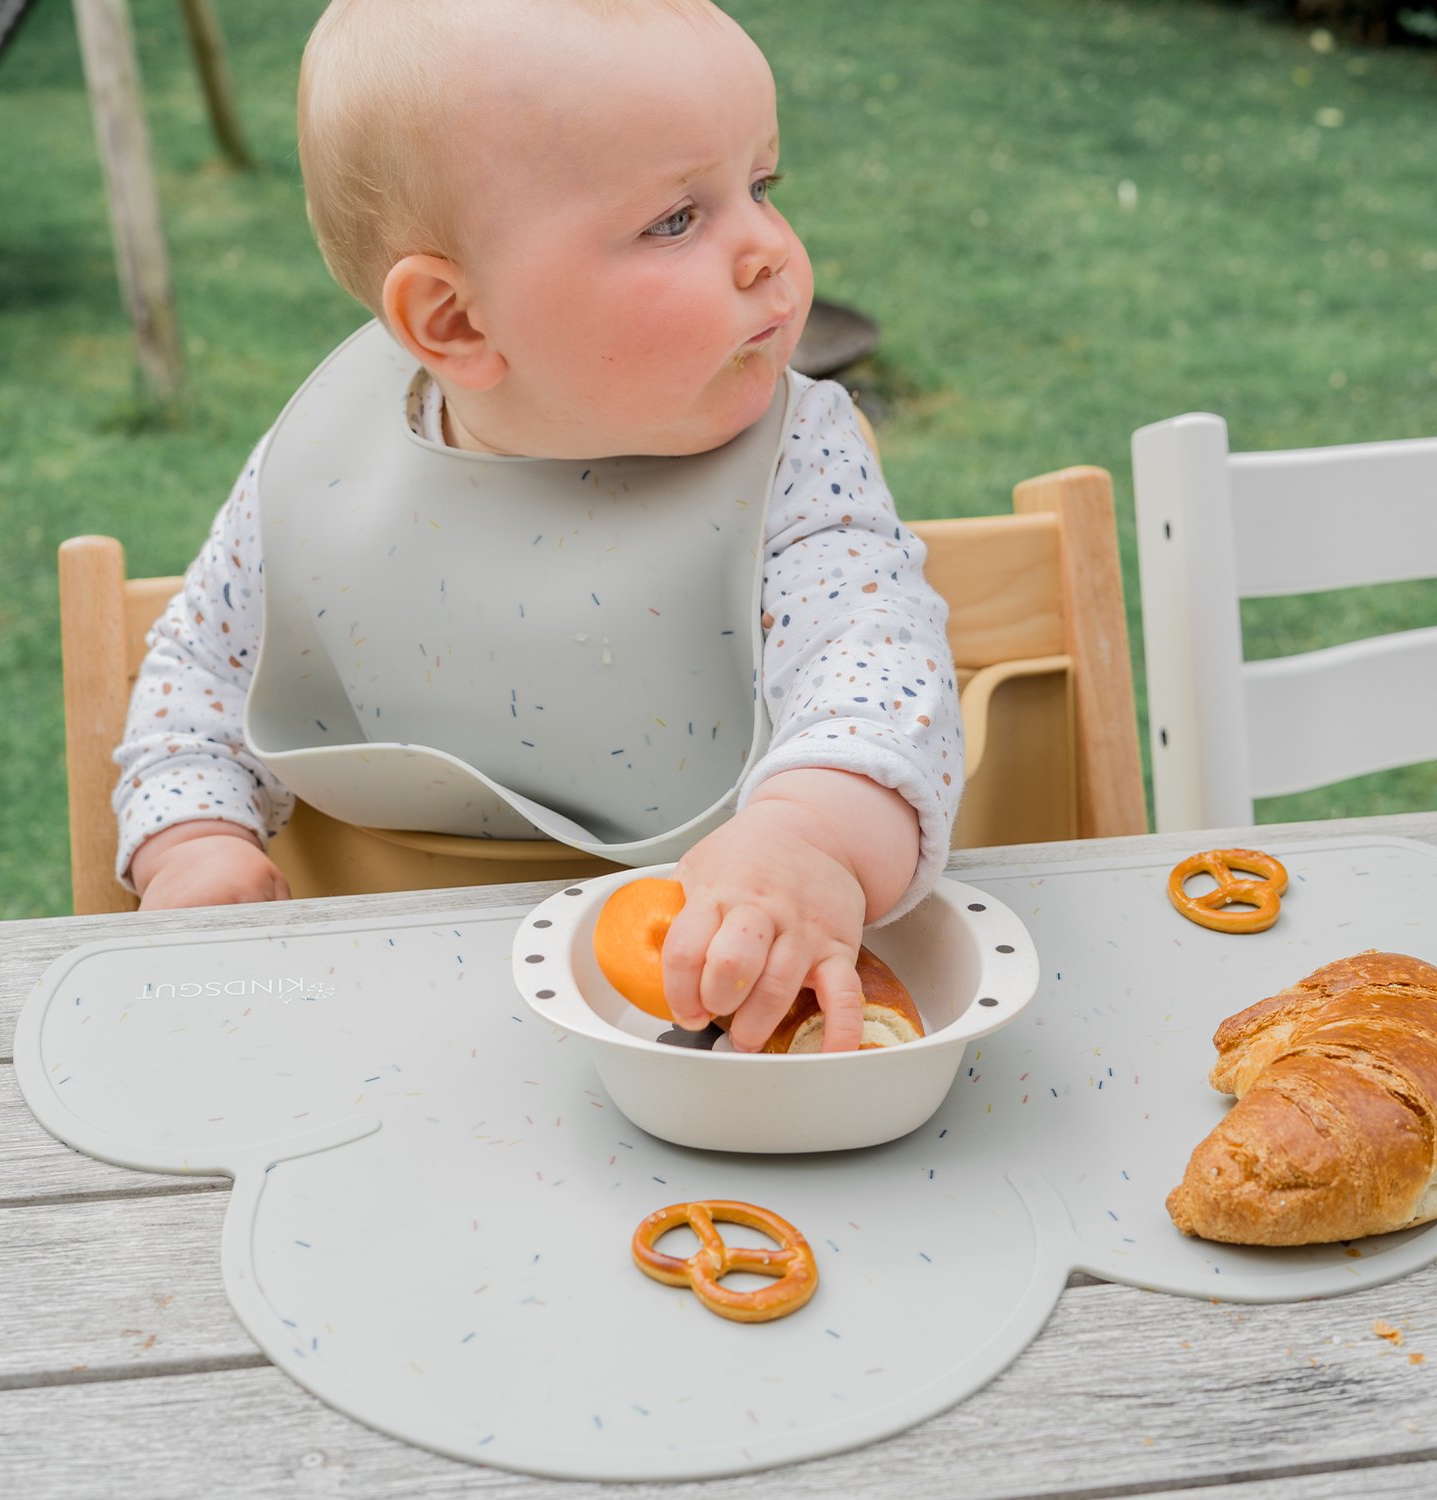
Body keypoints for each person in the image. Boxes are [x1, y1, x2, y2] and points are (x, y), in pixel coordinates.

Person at [113, 0, 962, 1054]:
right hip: (385, 1037)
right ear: (457, 321)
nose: (772, 254)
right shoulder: (326, 465)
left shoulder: (796, 459)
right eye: (676, 220)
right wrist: (192, 838)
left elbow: (875, 675)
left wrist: (808, 841)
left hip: (713, 1026)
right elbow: (201, 674)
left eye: (760, 187)